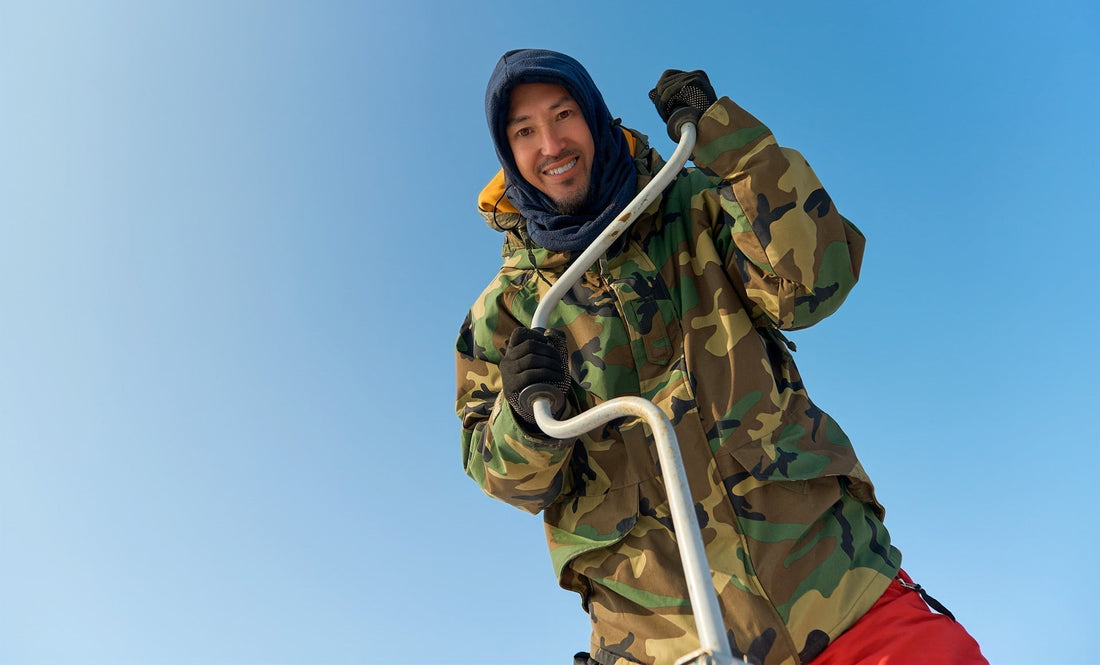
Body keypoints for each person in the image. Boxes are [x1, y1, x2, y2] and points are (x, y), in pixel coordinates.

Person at [455, 49, 986, 665]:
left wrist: (730, 140)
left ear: (595, 116)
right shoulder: (506, 315)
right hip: (666, 642)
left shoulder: (697, 203)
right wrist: (520, 421)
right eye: (524, 131)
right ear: (508, 153)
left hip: (834, 596)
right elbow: (505, 480)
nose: (551, 143)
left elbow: (817, 282)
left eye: (564, 113)